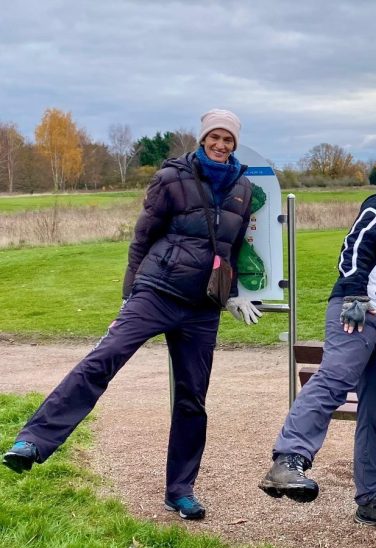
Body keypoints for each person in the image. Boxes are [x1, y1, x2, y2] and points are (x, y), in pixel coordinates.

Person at [2, 109, 262, 520]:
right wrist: (129, 295)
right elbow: (142, 238)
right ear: (202, 139)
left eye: (228, 139)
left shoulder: (243, 189)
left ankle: (180, 491)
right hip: (156, 291)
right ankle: (33, 441)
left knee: (193, 399)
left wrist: (232, 295)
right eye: (214, 137)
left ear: (234, 144)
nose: (220, 144)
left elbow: (230, 249)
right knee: (103, 359)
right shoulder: (171, 178)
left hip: (201, 309)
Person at [258, 144, 376, 531]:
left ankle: (373, 499)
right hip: (360, 312)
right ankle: (288, 460)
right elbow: (355, 247)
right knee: (336, 377)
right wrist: (356, 294)